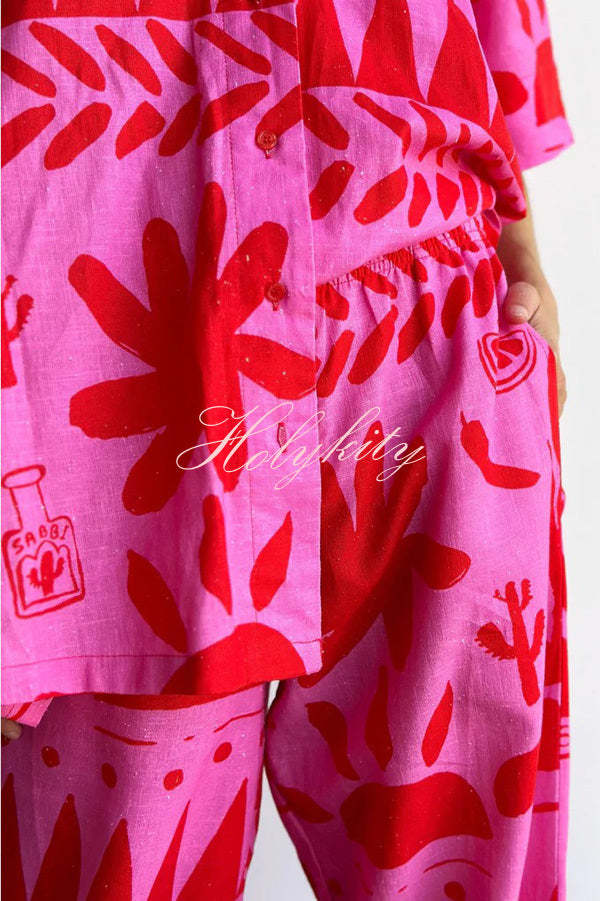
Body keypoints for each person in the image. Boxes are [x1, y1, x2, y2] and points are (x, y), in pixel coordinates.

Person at [1, 0, 571, 898]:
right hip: (104, 369)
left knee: (460, 871)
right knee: (119, 868)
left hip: (438, 332)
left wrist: (522, 251)